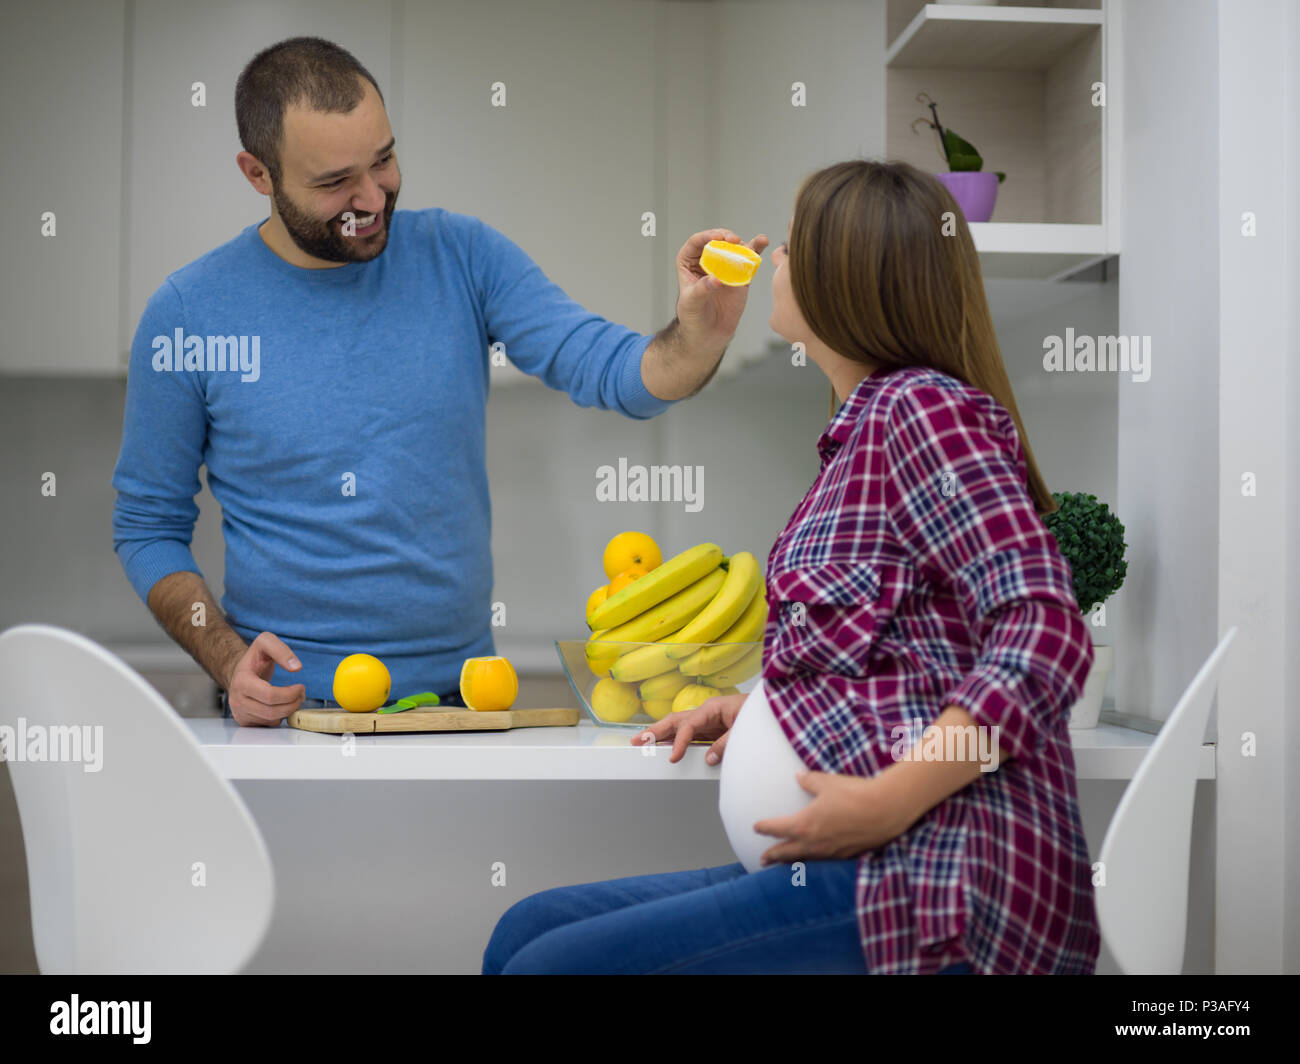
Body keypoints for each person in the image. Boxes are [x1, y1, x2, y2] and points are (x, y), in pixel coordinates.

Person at [483, 160, 1101, 975]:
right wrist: (766, 707)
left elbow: (1046, 631)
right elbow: (901, 648)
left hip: (924, 880)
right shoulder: (860, 433)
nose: (776, 258)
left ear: (846, 276)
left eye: (794, 244)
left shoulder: (920, 409)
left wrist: (888, 803)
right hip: (844, 868)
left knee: (548, 968)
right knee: (525, 930)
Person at [110, 37, 766, 726]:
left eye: (384, 159)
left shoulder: (462, 255)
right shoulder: (189, 312)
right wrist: (225, 656)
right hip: (286, 715)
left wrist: (701, 333)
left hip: (464, 704)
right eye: (335, 182)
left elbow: (616, 373)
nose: (372, 197)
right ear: (258, 174)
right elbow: (147, 526)